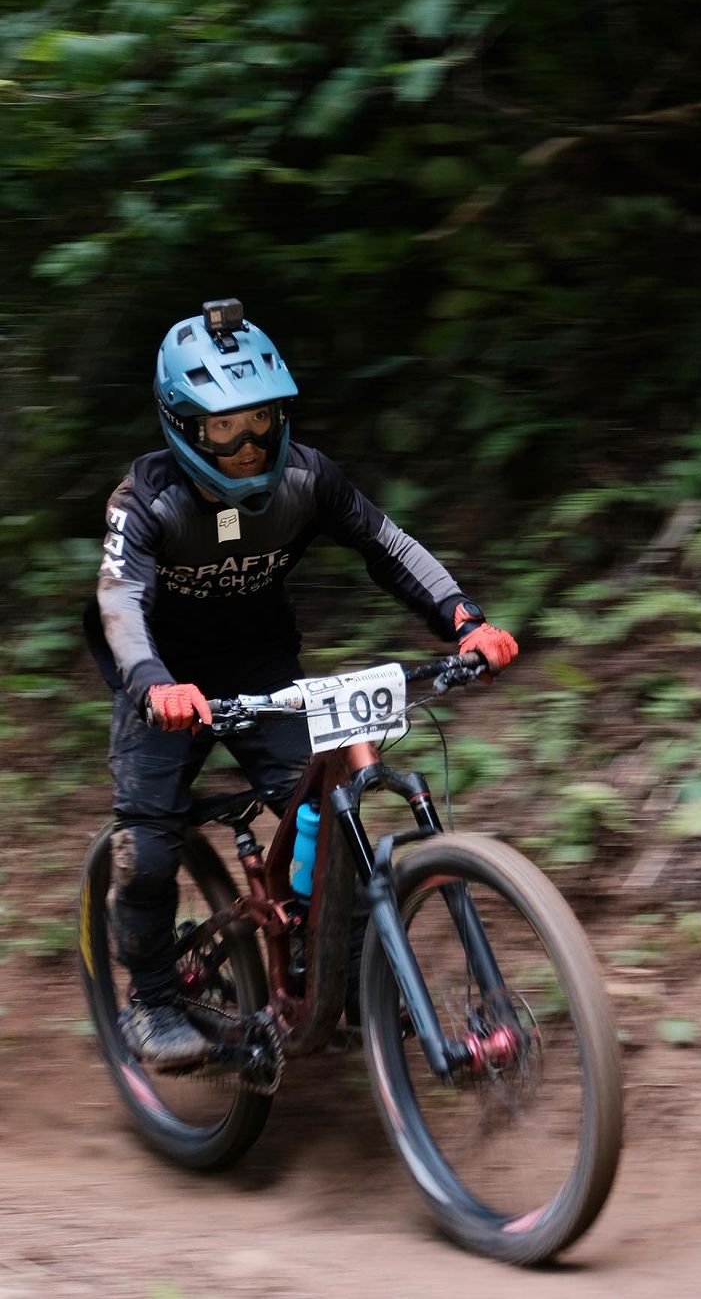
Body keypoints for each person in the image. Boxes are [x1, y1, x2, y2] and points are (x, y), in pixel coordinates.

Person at [85, 298, 518, 1069]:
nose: (250, 444)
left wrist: (463, 619)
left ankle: (328, 973)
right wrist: (153, 683)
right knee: (148, 845)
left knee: (324, 816)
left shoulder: (309, 477)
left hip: (259, 666)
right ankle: (151, 998)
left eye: (262, 419)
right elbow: (120, 599)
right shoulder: (145, 498)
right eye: (225, 427)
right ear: (183, 424)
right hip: (161, 672)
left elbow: (386, 544)